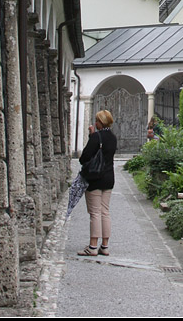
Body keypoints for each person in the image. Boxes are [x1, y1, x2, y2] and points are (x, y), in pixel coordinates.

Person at [77, 109, 117, 257]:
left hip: (95, 178)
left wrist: (91, 136)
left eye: (97, 120)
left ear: (100, 122)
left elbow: (84, 157)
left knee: (95, 212)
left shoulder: (96, 137)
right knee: (105, 212)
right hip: (108, 178)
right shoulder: (113, 137)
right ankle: (104, 246)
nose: (95, 122)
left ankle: (93, 246)